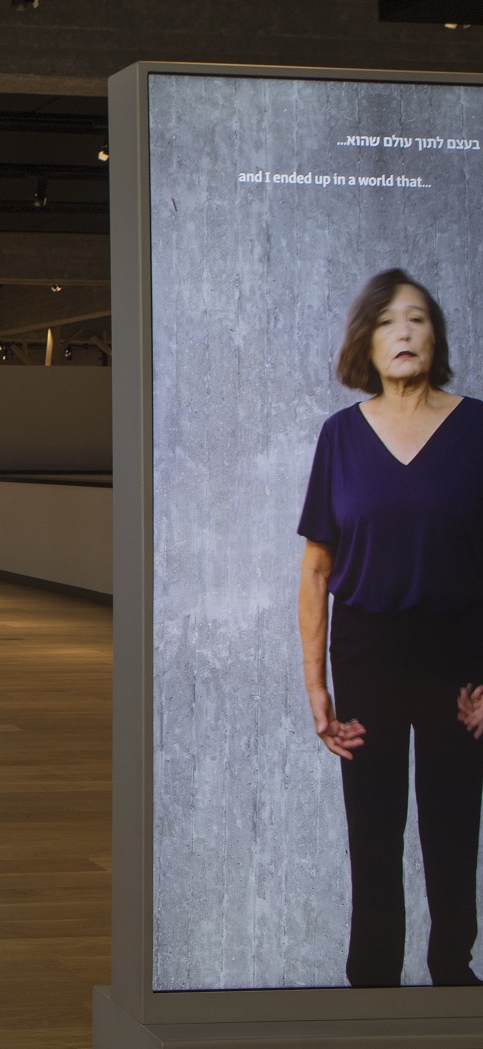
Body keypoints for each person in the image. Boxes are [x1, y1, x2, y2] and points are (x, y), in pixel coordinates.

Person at [298, 269, 483, 987]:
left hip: (459, 650)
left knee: (452, 825)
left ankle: (453, 977)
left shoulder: (477, 428)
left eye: (416, 319)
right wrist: (315, 683)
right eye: (386, 322)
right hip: (366, 649)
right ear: (365, 344)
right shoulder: (340, 437)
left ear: (435, 337)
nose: (402, 332)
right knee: (372, 832)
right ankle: (370, 986)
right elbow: (316, 570)